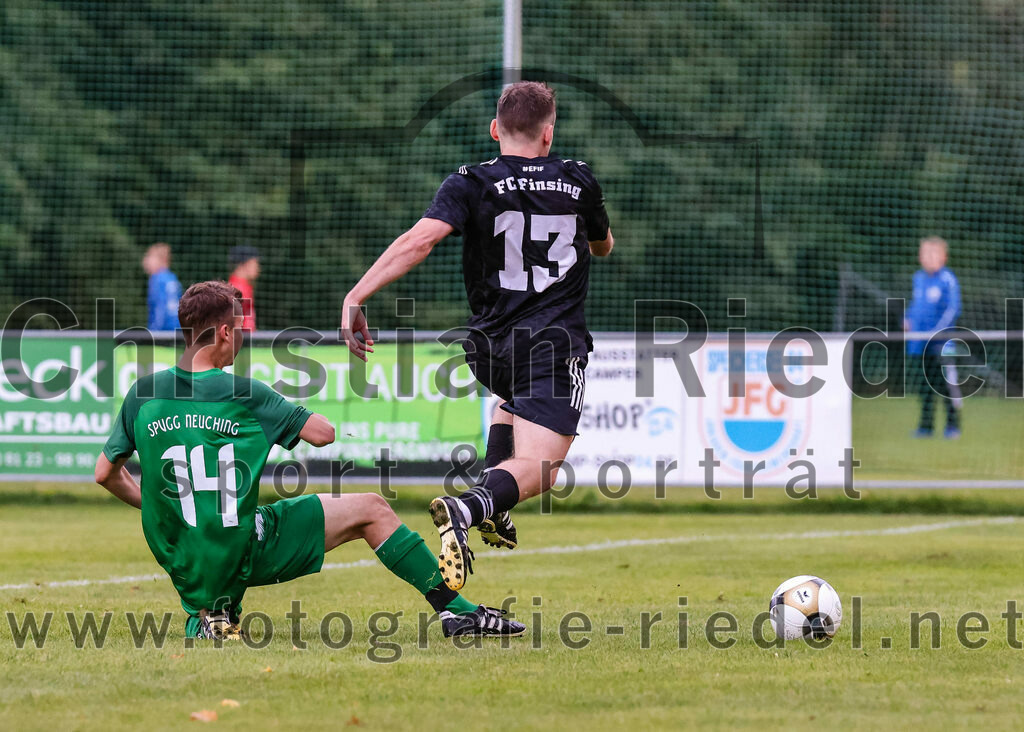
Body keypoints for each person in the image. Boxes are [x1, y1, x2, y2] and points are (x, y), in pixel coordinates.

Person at [94, 280, 524, 639]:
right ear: (224, 332)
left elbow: (104, 474)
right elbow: (323, 434)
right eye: (239, 328)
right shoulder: (246, 394)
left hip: (181, 554)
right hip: (243, 545)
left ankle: (209, 616)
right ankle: (456, 612)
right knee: (372, 509)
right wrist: (286, 410)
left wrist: (157, 505)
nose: (242, 337)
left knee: (211, 566)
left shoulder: (142, 394)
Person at [341, 81, 614, 591]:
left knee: (511, 405)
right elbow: (603, 245)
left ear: (494, 129)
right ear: (548, 134)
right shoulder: (579, 179)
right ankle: (470, 508)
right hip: (552, 344)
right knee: (542, 470)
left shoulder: (470, 180)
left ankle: (493, 505)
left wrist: (357, 294)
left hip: (489, 347)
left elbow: (419, 241)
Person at [904, 236, 962, 439]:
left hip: (943, 343)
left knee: (947, 385)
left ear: (943, 257)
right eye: (924, 253)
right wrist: (907, 319)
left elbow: (952, 309)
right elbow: (916, 306)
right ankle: (926, 427)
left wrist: (936, 332)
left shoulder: (947, 279)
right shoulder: (918, 278)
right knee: (925, 386)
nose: (927, 257)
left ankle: (953, 426)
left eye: (932, 253)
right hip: (921, 343)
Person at [142, 242, 182, 331]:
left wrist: (155, 330)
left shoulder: (157, 279)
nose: (145, 261)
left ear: (162, 260)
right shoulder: (172, 277)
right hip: (177, 327)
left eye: (149, 257)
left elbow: (160, 307)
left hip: (164, 329)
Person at [228, 244, 260, 332]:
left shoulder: (244, 287)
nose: (258, 268)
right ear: (244, 265)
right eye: (255, 264)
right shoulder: (238, 289)